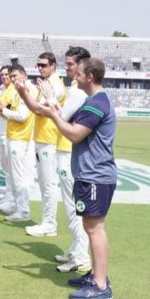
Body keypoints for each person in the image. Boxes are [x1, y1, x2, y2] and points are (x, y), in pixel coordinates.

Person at [38, 57, 117, 299]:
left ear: (90, 76)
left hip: (95, 175)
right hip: (90, 174)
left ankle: (101, 285)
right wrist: (52, 106)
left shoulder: (97, 103)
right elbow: (70, 120)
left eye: (79, 73)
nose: (75, 77)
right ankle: (95, 274)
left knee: (95, 228)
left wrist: (53, 116)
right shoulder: (94, 101)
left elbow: (74, 133)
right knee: (90, 226)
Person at [17, 47, 92, 272]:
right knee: (71, 206)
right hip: (64, 148)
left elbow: (60, 116)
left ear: (82, 65)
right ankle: (76, 249)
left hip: (69, 151)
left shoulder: (77, 90)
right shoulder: (74, 87)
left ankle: (81, 256)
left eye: (70, 64)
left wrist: (47, 100)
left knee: (74, 207)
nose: (66, 67)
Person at [0, 64, 37, 222]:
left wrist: (2, 110)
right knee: (15, 176)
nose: (12, 79)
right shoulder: (17, 90)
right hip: (14, 136)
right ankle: (18, 207)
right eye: (11, 76)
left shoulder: (25, 90)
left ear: (24, 75)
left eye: (15, 76)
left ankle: (23, 211)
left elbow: (22, 116)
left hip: (20, 138)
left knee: (19, 177)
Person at [23, 52, 65, 237]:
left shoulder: (55, 84)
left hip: (49, 138)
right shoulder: (47, 83)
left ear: (53, 66)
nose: (40, 68)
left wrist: (23, 93)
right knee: (44, 183)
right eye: (38, 65)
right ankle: (47, 222)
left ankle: (49, 224)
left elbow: (39, 109)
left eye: (44, 65)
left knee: (48, 184)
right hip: (43, 137)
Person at [0, 66, 15, 212]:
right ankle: (7, 197)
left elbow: (6, 113)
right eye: (2, 75)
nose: (4, 77)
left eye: (7, 74)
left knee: (10, 170)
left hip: (9, 133)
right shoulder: (4, 91)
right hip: (2, 132)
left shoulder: (12, 91)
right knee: (5, 169)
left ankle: (11, 200)